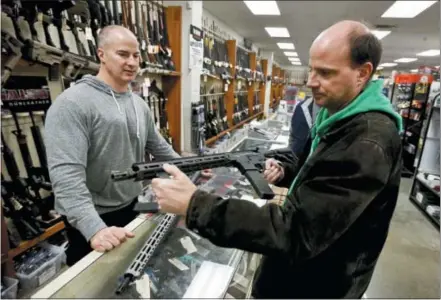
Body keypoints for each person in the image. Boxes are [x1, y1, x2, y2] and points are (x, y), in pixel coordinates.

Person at [150, 20, 403, 298]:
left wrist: (195, 205)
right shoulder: (340, 115)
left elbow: (295, 232)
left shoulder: (367, 141)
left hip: (315, 287)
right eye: (311, 69)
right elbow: (320, 175)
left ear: (363, 73)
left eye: (325, 72)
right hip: (300, 275)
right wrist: (286, 171)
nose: (310, 81)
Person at [44, 25, 183, 266]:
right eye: (122, 54)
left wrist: (190, 169)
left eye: (136, 55)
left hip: (132, 205)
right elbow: (66, 179)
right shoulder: (72, 104)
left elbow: (160, 149)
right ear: (101, 54)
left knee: (128, 270)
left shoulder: (138, 104)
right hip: (91, 215)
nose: (132, 62)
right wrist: (94, 229)